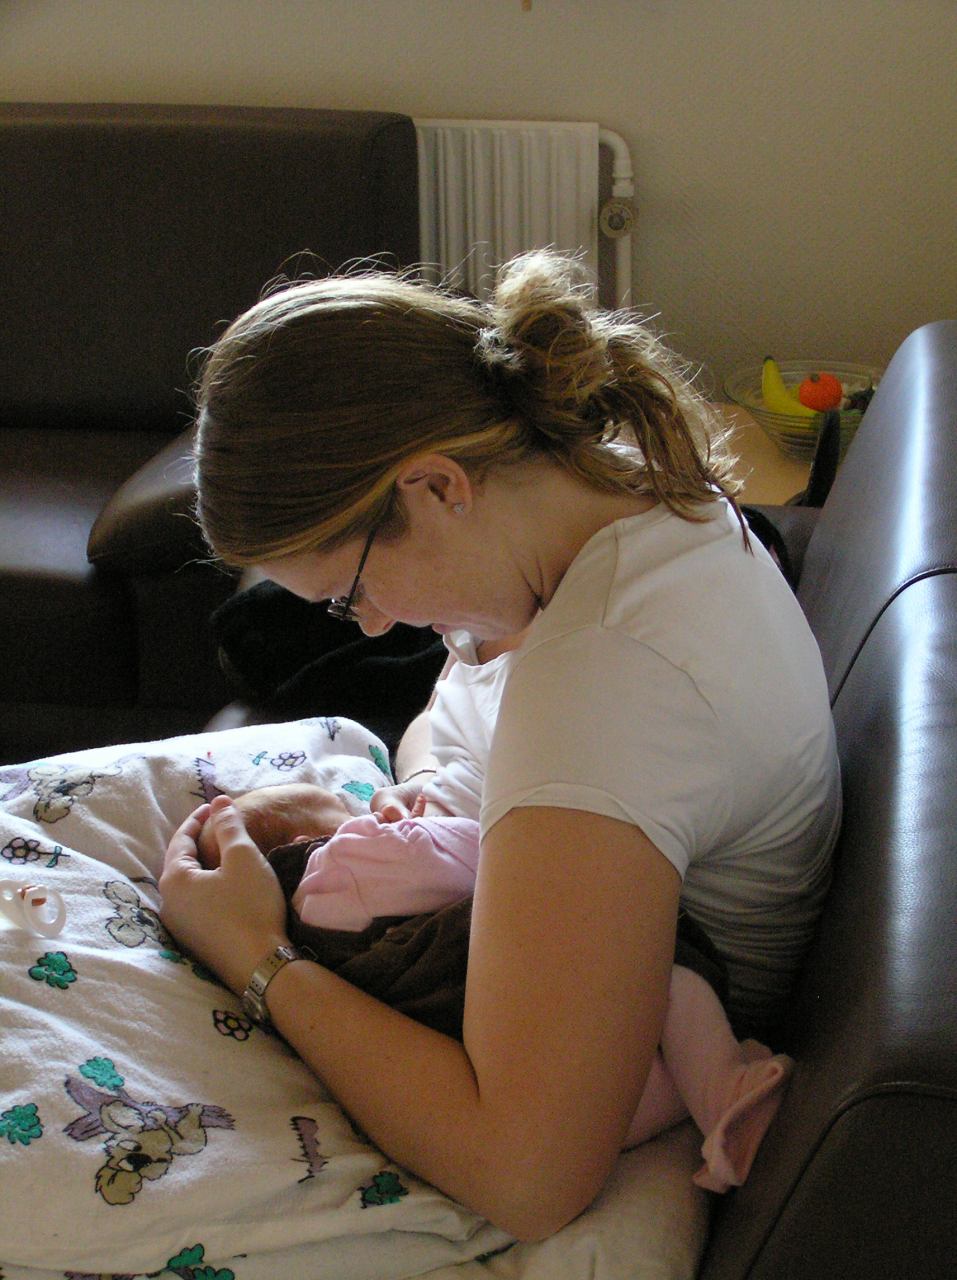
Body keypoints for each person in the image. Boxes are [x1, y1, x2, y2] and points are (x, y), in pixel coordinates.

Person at [160, 251, 840, 1240]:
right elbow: (474, 726)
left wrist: (255, 957)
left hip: (651, 1034)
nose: (373, 626)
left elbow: (526, 1177)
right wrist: (393, 810)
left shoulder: (603, 685)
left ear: (435, 485)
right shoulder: (591, 494)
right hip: (487, 881)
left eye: (351, 592)